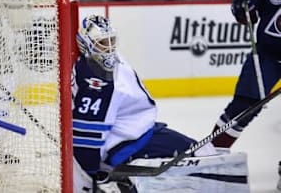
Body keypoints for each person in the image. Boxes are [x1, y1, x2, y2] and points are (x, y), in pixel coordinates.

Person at [72, 15, 251, 192]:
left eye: (111, 40)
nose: (109, 47)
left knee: (202, 150)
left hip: (140, 132)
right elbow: (87, 138)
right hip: (130, 143)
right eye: (103, 43)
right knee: (203, 154)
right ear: (86, 44)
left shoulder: (99, 62)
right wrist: (90, 178)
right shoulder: (97, 83)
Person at [210, 0, 281, 190]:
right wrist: (241, 4)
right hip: (268, 55)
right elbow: (246, 18)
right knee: (244, 105)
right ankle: (212, 157)